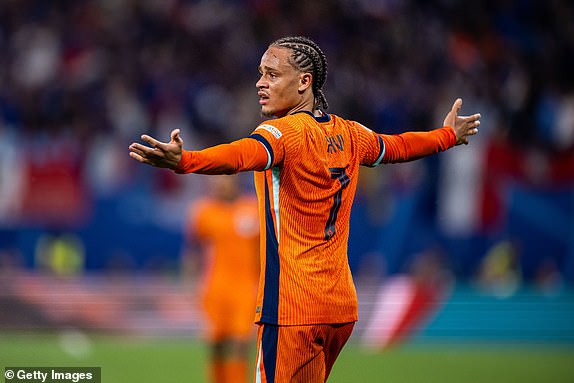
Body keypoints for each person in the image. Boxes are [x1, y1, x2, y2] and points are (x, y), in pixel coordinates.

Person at [129, 36, 481, 382]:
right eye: (260, 73)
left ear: (304, 82)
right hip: (339, 308)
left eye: (271, 74)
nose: (260, 83)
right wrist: (447, 135)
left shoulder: (282, 134)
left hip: (292, 308)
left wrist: (187, 160)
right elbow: (399, 146)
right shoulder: (351, 133)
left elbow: (240, 155)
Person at [183, 175, 259, 383]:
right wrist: (190, 283)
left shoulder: (254, 208)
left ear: (235, 181)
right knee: (216, 344)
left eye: (223, 179)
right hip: (215, 287)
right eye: (214, 181)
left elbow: (267, 251)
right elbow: (192, 249)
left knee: (239, 343)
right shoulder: (203, 211)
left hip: (246, 288)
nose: (218, 184)